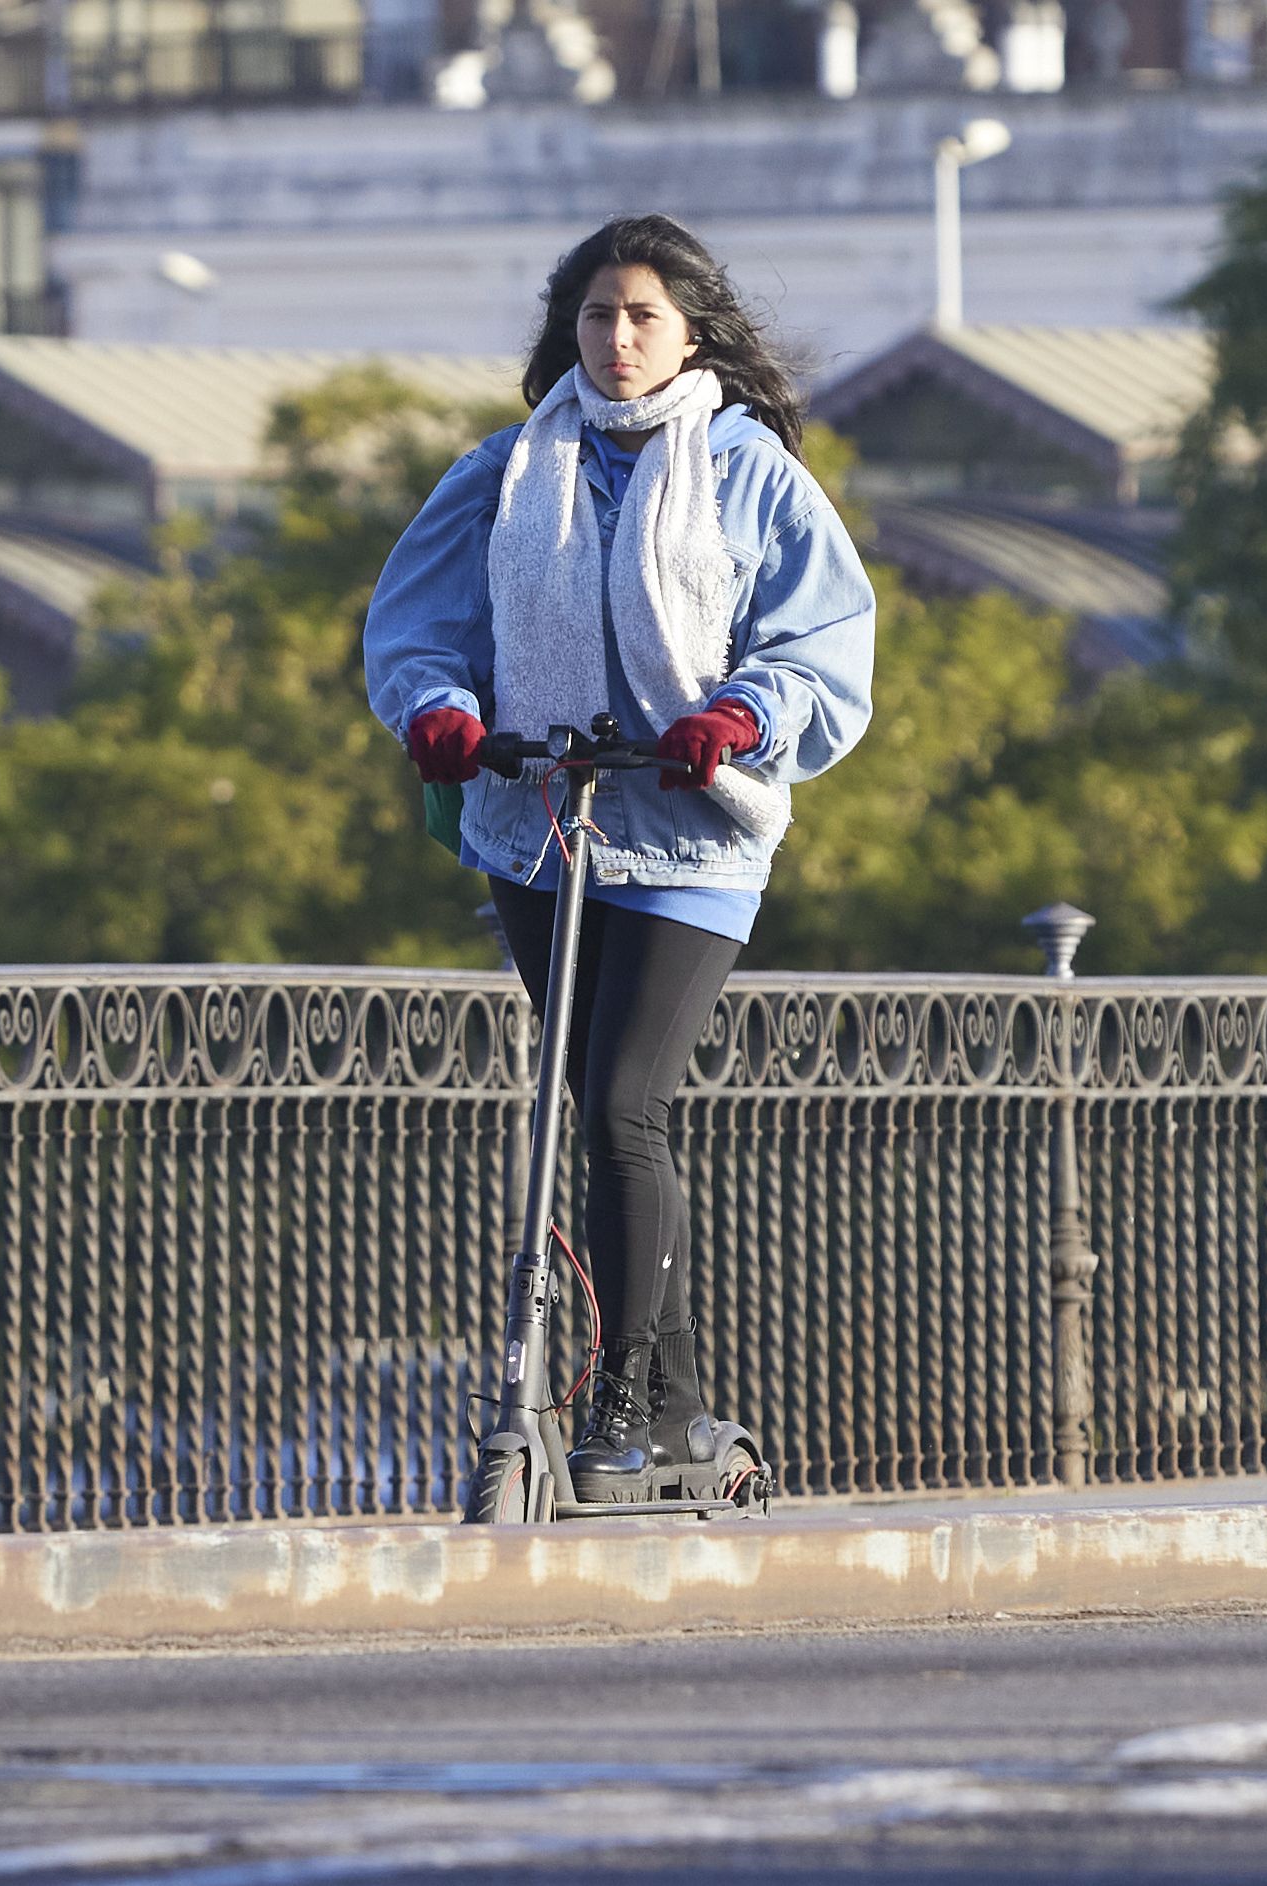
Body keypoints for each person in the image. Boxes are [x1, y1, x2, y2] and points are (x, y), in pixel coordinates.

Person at [361, 214, 877, 1488]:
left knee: (622, 1101)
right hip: (541, 829)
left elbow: (822, 648)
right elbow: (416, 624)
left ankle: (624, 1403)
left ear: (692, 328)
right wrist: (440, 711)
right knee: (580, 1115)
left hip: (694, 836)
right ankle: (684, 1415)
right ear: (569, 330)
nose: (620, 337)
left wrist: (739, 717)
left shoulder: (752, 471)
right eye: (598, 316)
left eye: (645, 314)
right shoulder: (505, 469)